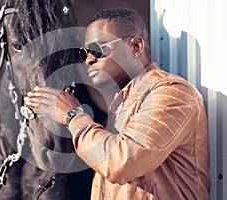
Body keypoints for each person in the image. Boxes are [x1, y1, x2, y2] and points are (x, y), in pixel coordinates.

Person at [25, 7, 210, 199]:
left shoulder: (171, 93)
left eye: (97, 50)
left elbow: (122, 163)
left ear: (135, 47)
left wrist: (73, 116)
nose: (88, 60)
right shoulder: (119, 107)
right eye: (84, 53)